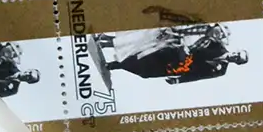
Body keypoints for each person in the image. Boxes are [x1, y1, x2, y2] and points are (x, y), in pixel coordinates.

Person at [104, 25, 244, 84]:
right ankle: (115, 64)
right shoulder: (217, 47)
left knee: (147, 73)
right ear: (235, 51)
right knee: (146, 57)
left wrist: (179, 80)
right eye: (237, 54)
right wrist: (183, 47)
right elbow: (195, 42)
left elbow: (198, 76)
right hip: (174, 53)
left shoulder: (221, 70)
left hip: (179, 67)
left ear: (237, 63)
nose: (235, 57)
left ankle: (119, 64)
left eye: (238, 59)